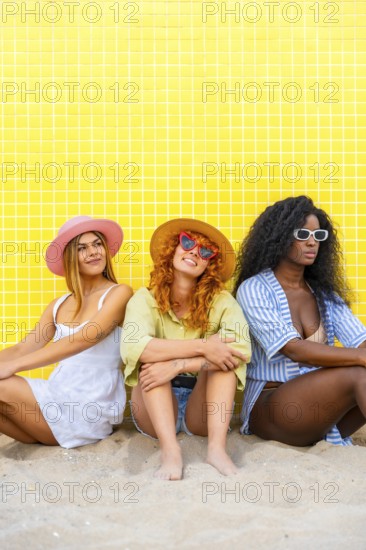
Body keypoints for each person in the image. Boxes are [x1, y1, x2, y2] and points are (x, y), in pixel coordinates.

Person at [121, 218, 251, 480]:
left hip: (201, 408)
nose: (194, 251)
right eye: (188, 242)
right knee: (152, 365)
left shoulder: (222, 302)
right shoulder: (144, 299)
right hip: (153, 406)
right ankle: (170, 452)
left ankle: (217, 450)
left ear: (209, 264)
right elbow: (135, 348)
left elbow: (239, 350)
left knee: (225, 365)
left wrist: (179, 365)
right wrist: (203, 346)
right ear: (173, 249)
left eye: (205, 251)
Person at [234, 195, 366, 447]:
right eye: (302, 234)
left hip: (320, 415)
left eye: (318, 236)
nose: (311, 242)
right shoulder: (254, 289)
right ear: (280, 235)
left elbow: (361, 341)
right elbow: (294, 349)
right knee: (360, 374)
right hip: (273, 409)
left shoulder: (325, 295)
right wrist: (361, 358)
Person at [0, 215, 133, 448]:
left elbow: (83, 338)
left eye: (97, 244)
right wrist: (10, 360)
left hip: (86, 407)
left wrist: (15, 367)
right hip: (54, 399)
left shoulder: (119, 294)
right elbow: (23, 347)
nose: (93, 252)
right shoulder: (57, 305)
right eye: (82, 248)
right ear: (70, 258)